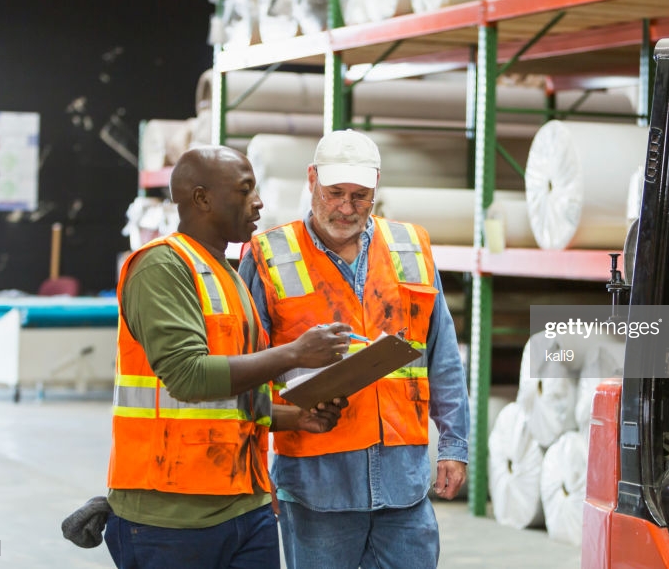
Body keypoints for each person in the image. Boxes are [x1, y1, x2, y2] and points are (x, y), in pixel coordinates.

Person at [104, 145, 353, 569]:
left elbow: (230, 395)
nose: (258, 201)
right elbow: (189, 377)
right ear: (202, 199)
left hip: (243, 504)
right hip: (172, 516)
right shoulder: (161, 268)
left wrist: (295, 418)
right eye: (245, 190)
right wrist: (295, 353)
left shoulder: (225, 274)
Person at [238, 129, 471, 569]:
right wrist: (253, 472)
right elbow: (246, 373)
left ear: (376, 188)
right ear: (311, 180)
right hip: (316, 486)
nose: (346, 208)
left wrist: (455, 446)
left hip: (403, 483)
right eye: (335, 193)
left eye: (359, 196)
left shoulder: (411, 247)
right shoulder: (270, 255)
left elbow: (441, 356)